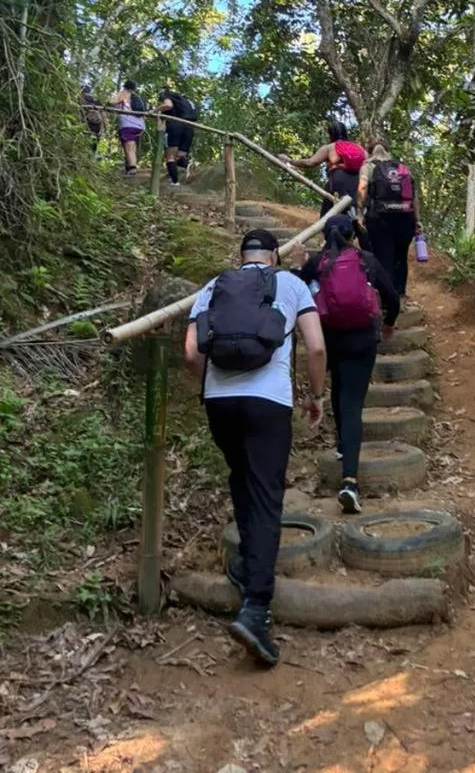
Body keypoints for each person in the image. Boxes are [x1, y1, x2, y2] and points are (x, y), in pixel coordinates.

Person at [185, 228, 327, 669]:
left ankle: (249, 565)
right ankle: (256, 609)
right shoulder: (291, 284)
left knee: (241, 478)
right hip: (269, 402)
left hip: (219, 402)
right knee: (267, 495)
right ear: (274, 257)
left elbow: (191, 353)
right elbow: (317, 345)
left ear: (241, 257)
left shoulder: (213, 286)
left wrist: (213, 386)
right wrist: (315, 396)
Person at [296, 213, 399, 514]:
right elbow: (392, 297)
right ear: (352, 235)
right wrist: (389, 323)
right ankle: (350, 483)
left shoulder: (317, 263)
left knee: (340, 387)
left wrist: (300, 263)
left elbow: (296, 288)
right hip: (363, 338)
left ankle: (343, 446)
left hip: (330, 339)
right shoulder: (365, 259)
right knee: (352, 402)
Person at [357, 141, 423, 298]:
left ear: (370, 151)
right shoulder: (403, 168)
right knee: (400, 257)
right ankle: (400, 294)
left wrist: (360, 213)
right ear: (388, 151)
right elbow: (414, 196)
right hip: (405, 219)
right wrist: (417, 220)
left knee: (383, 256)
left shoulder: (368, 166)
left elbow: (363, 187)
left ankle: (386, 299)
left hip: (380, 218)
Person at [289, 121, 367, 218]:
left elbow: (310, 162)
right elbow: (368, 163)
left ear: (330, 135)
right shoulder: (359, 148)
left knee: (330, 216)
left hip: (338, 182)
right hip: (359, 183)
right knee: (359, 213)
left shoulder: (329, 147)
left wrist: (291, 161)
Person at [157, 88, 197, 186]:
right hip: (189, 127)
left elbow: (168, 105)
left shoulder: (167, 96)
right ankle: (188, 165)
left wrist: (155, 110)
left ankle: (175, 182)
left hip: (174, 126)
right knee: (179, 157)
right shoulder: (186, 100)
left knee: (170, 156)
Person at [109, 80, 146, 177]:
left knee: (129, 148)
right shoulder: (138, 98)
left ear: (125, 87)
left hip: (127, 124)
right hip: (139, 125)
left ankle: (132, 171)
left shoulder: (124, 93)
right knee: (132, 148)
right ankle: (129, 168)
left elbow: (112, 101)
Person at [79, 84, 103, 153]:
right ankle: (92, 156)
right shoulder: (96, 102)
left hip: (87, 123)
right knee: (93, 145)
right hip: (97, 125)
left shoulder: (81, 99)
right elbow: (103, 116)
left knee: (86, 143)